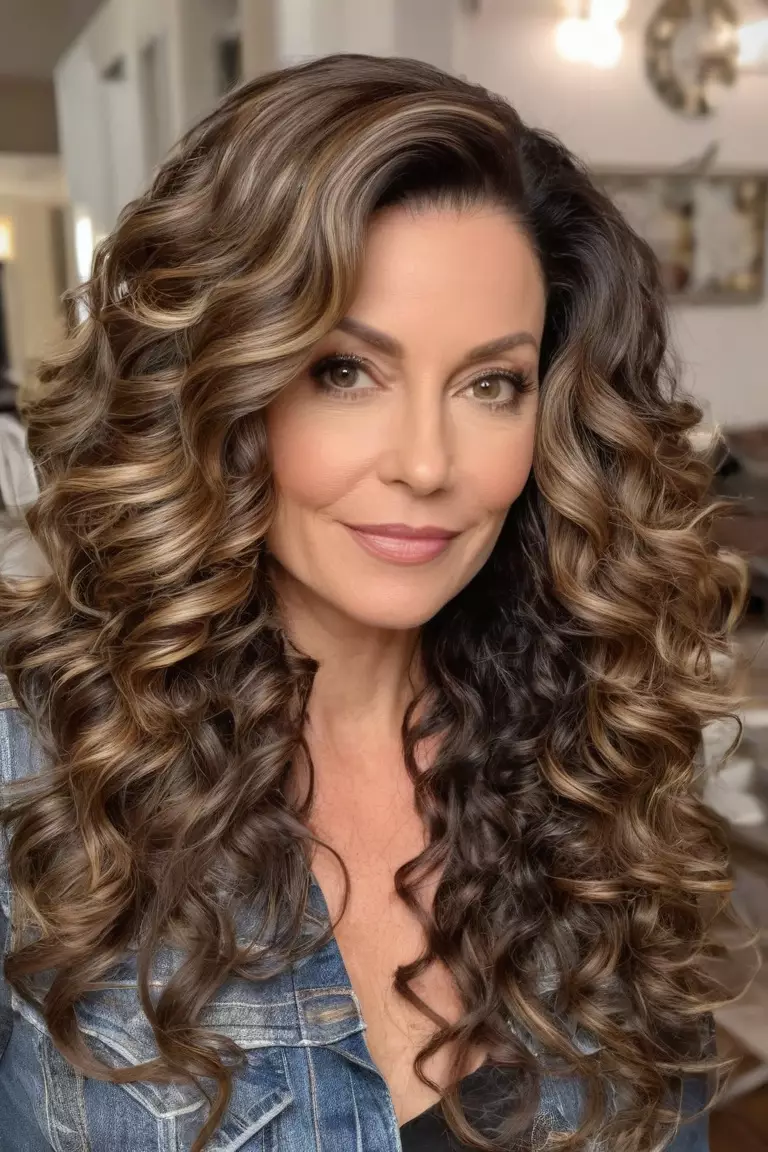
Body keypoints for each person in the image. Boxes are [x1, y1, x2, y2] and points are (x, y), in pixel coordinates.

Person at [0, 53, 748, 1152]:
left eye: (492, 384)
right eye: (346, 371)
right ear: (219, 382)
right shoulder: (35, 768)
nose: (427, 462)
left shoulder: (599, 747)